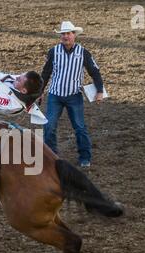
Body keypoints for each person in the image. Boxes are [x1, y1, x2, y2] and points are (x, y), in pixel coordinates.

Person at [41, 21, 105, 168]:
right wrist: (40, 92)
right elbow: (45, 73)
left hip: (74, 96)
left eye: (68, 33)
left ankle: (85, 157)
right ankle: (52, 157)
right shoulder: (53, 52)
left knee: (79, 127)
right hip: (55, 95)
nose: (65, 36)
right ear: (60, 36)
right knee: (49, 126)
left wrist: (100, 91)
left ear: (74, 35)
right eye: (63, 34)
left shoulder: (83, 52)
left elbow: (94, 72)